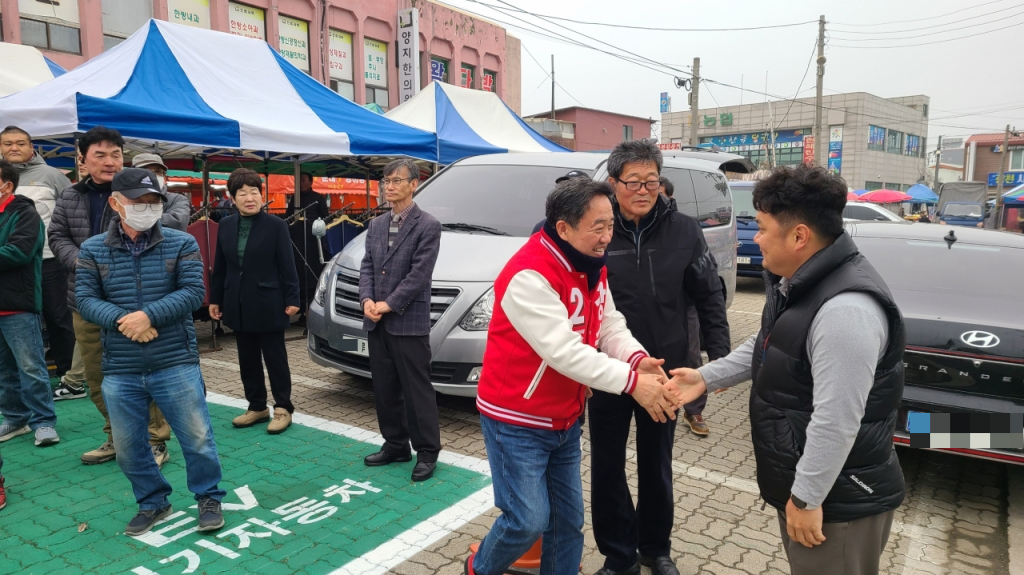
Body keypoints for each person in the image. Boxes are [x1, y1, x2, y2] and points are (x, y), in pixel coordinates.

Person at [670, 164, 906, 575]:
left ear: (799, 236)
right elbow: (770, 342)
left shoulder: (845, 311)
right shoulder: (802, 281)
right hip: (820, 490)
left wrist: (808, 498)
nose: (755, 238)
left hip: (839, 501)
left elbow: (837, 420)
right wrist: (706, 376)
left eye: (761, 228)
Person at [464, 177, 683, 575]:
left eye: (609, 224)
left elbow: (609, 324)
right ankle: (479, 568)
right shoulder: (529, 274)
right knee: (526, 520)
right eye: (596, 227)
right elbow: (564, 352)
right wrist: (633, 384)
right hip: (516, 419)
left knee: (567, 524)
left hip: (564, 419)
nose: (606, 237)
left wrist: (637, 360)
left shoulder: (590, 265)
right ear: (563, 228)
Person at [591, 140, 731, 575]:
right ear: (613, 183)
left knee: (657, 464)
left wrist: (718, 361)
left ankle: (656, 549)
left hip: (666, 371)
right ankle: (618, 555)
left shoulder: (685, 230)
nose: (644, 189)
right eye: (633, 181)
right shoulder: (595, 227)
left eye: (651, 181)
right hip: (609, 371)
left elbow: (709, 296)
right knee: (608, 464)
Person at [76, 167, 226, 536]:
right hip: (121, 366)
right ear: (115, 203)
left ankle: (209, 497)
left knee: (197, 437)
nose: (147, 208)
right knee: (129, 447)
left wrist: (148, 316)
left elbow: (193, 292)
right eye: (137, 202)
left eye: (153, 201)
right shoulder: (93, 249)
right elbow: (84, 298)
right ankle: (152, 502)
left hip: (174, 360)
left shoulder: (182, 242)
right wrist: (126, 320)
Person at [49, 126, 171, 466]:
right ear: (83, 160)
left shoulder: (142, 193)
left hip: (134, 300)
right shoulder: (70, 196)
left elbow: (165, 229)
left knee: (142, 372)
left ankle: (154, 440)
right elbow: (57, 235)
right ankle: (116, 434)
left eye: (115, 154)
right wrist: (87, 264)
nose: (109, 161)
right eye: (99, 155)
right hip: (85, 301)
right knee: (96, 375)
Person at [358, 159, 441, 482]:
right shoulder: (377, 225)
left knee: (416, 389)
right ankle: (395, 444)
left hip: (407, 319)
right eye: (385, 181)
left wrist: (388, 304)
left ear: (413, 184)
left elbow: (420, 274)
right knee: (385, 387)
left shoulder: (428, 225)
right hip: (377, 320)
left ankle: (427, 451)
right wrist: (366, 300)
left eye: (396, 181)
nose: (389, 186)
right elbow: (367, 267)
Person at [209, 169, 300, 434]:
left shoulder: (276, 225)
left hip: (269, 300)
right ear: (232, 198)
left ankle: (283, 408)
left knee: (275, 358)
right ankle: (257, 406)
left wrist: (293, 297)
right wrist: (215, 298)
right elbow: (221, 265)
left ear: (262, 195)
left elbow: (287, 264)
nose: (250, 198)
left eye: (254, 192)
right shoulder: (225, 225)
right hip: (236, 300)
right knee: (246, 358)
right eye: (243, 193)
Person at [0, 126, 78, 397]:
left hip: (50, 260)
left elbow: (72, 211)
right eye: (7, 143)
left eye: (20, 143)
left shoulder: (52, 175)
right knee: (20, 322)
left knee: (58, 318)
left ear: (31, 146)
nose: (14, 148)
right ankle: (18, 383)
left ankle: (68, 375)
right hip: (11, 267)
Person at [0, 158, 60, 447]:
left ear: (6, 185)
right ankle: (15, 418)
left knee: (31, 366)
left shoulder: (24, 213)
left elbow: (19, 252)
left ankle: (44, 421)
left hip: (17, 303)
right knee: (3, 368)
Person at [286, 172, 329, 322]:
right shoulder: (294, 198)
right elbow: (288, 216)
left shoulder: (318, 198)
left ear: (311, 182)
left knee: (312, 273)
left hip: (312, 241)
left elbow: (325, 218)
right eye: (299, 181)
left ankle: (310, 306)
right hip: (297, 241)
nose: (301, 183)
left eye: (303, 180)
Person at [131, 153, 190, 232]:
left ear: (164, 177)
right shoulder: (124, 198)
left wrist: (136, 222)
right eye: (144, 171)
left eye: (157, 171)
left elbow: (177, 222)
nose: (152, 175)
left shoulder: (177, 199)